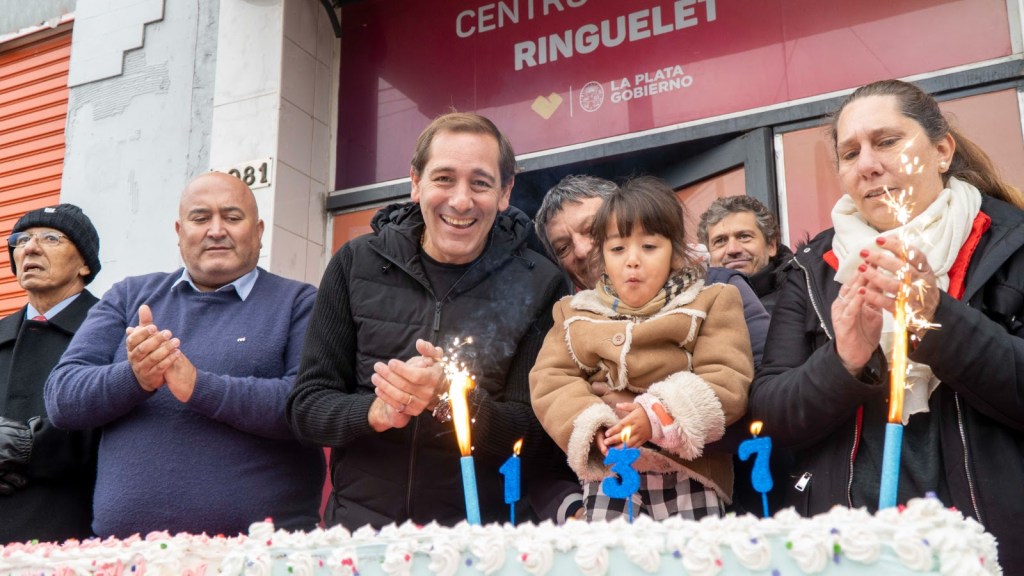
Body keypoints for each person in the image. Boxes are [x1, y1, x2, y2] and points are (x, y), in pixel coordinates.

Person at [750, 79, 1024, 570]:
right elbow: (771, 416)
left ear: (942, 151)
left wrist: (936, 319)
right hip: (854, 550)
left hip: (994, 545)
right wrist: (845, 361)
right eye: (850, 153)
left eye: (887, 141)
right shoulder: (812, 269)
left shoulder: (1012, 243)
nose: (868, 164)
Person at [287, 112, 574, 529]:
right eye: (444, 179)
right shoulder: (354, 263)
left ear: (505, 192)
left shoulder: (540, 282)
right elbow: (306, 408)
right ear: (415, 182)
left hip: (484, 541)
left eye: (480, 183)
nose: (461, 201)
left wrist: (451, 399)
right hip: (361, 536)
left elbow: (541, 438)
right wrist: (378, 411)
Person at [44, 172, 323, 538]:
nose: (216, 230)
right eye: (200, 218)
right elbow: (62, 397)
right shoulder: (128, 296)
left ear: (258, 231)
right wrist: (135, 377)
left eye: (232, 217)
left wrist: (198, 386)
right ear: (179, 232)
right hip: (126, 553)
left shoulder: (301, 302)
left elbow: (311, 407)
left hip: (259, 552)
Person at [531, 176, 753, 521]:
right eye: (617, 249)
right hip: (612, 470)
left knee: (693, 550)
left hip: (691, 472)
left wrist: (657, 415)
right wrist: (593, 423)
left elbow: (728, 378)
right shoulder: (574, 314)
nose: (632, 260)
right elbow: (550, 381)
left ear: (675, 251)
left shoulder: (711, 300)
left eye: (649, 247)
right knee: (612, 550)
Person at [536, 175, 769, 367]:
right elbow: (554, 388)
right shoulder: (571, 320)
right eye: (563, 248)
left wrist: (649, 405)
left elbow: (761, 377)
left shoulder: (720, 290)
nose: (582, 250)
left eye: (591, 230)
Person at [0, 204, 101, 544]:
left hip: (69, 538)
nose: (30, 248)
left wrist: (29, 447)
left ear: (84, 263)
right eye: (21, 240)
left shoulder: (113, 330)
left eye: (51, 238)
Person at [698, 195, 794, 313]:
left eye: (744, 236)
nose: (732, 250)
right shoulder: (694, 312)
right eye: (720, 241)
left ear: (771, 245)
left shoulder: (804, 300)